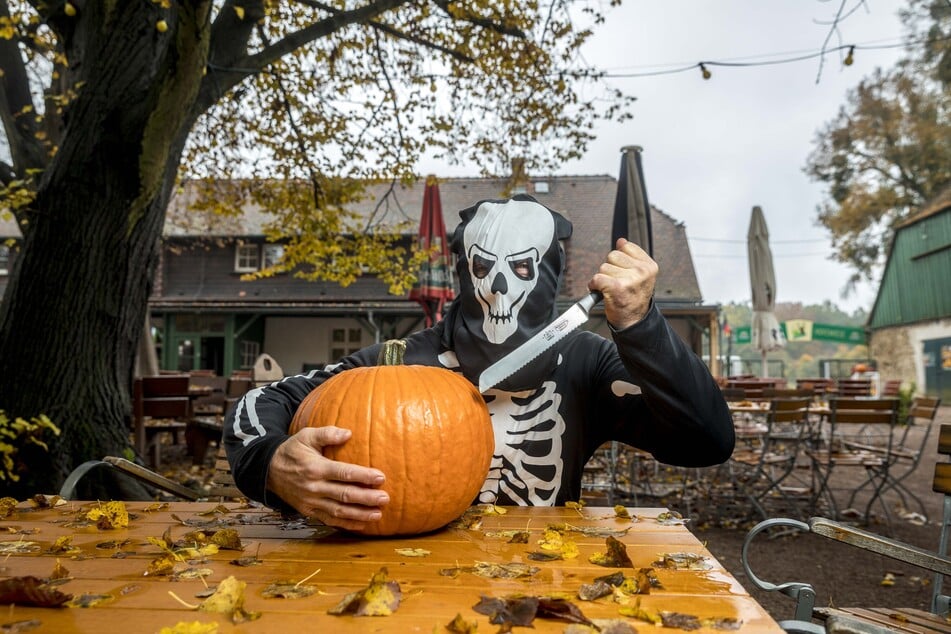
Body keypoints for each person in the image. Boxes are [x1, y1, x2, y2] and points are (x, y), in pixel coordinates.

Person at [224, 195, 734, 532]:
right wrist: (271, 462)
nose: (499, 289)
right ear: (465, 274)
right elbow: (262, 401)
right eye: (484, 269)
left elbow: (706, 438)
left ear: (544, 275)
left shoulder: (584, 364)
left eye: (519, 270)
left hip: (550, 586)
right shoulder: (399, 366)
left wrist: (642, 325)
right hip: (400, 586)